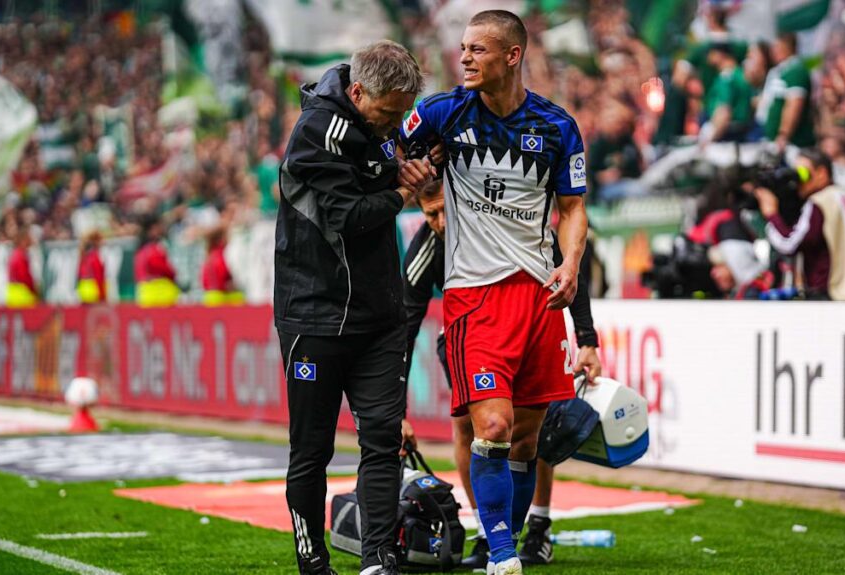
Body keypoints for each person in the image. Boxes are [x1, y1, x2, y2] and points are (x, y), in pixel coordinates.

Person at [399, 10, 589, 575]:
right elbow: (383, 139)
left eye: (478, 50)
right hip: (473, 298)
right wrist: (404, 176)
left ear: (512, 56)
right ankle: (502, 554)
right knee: (493, 428)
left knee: (528, 443)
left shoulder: (557, 127)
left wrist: (572, 261)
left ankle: (510, 537)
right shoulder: (442, 112)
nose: (464, 59)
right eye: (462, 49)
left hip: (538, 298)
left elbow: (574, 209)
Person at [274, 40, 430, 575]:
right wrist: (401, 193)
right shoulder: (318, 132)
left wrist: (403, 170)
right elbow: (348, 216)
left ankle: (379, 560)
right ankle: (312, 560)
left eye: (401, 113)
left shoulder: (375, 125)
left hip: (379, 318)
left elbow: (379, 170)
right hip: (315, 317)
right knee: (312, 450)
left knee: (383, 439)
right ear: (358, 92)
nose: (394, 125)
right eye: (388, 113)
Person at [402, 182, 600, 568]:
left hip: (530, 319)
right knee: (472, 427)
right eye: (430, 215)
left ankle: (537, 525)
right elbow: (406, 325)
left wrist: (587, 338)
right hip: (471, 330)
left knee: (532, 430)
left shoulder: (508, 218)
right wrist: (395, 407)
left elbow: (568, 268)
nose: (441, 222)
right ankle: (487, 532)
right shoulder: (428, 245)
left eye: (445, 210)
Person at [753, 149, 845, 300]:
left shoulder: (820, 202)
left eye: (802, 173)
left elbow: (789, 244)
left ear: (822, 173)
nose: (797, 181)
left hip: (830, 296)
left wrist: (772, 213)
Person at [756, 33, 814, 151]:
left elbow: (794, 104)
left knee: (799, 170)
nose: (773, 51)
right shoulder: (780, 71)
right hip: (771, 140)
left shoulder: (796, 71)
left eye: (777, 47)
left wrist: (783, 135)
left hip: (792, 145)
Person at [699, 43, 753, 146]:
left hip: (725, 135)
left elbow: (724, 110)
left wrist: (709, 139)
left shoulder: (726, 77)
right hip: (742, 134)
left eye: (711, 53)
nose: (708, 57)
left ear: (720, 54)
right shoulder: (741, 75)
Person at [134, 216, 179, 307]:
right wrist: (173, 274)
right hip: (158, 294)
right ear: (153, 228)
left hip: (145, 293)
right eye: (159, 226)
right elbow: (161, 267)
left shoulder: (141, 250)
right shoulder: (153, 249)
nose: (161, 229)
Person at [201, 226, 243, 306]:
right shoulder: (221, 254)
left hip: (209, 296)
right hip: (220, 297)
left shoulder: (209, 255)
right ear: (221, 238)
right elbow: (223, 275)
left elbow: (204, 280)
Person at [6, 229, 39, 308]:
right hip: (22, 295)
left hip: (13, 294)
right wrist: (34, 290)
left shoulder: (14, 254)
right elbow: (24, 276)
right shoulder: (21, 256)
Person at [76, 230, 106, 304]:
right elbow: (98, 276)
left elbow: (79, 273)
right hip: (92, 288)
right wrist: (102, 295)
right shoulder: (94, 256)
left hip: (83, 286)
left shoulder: (84, 255)